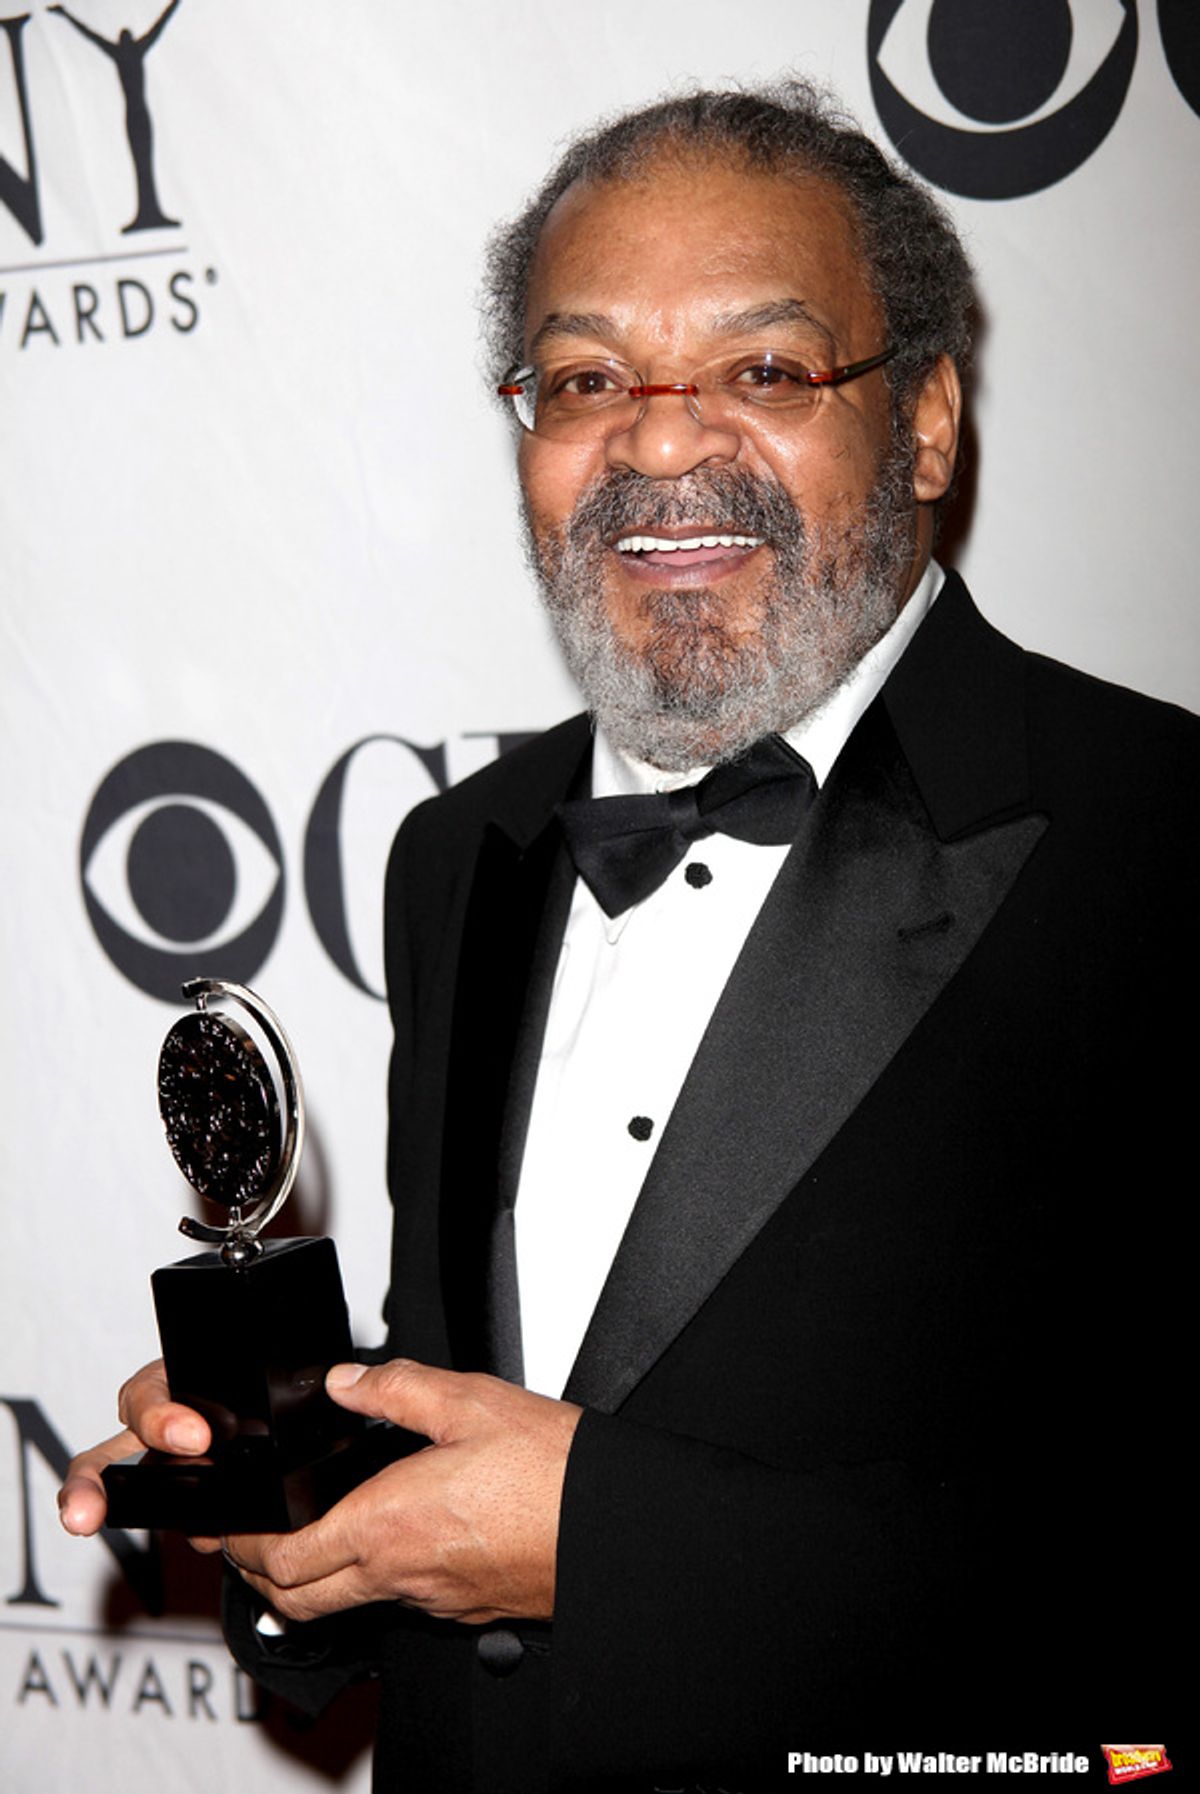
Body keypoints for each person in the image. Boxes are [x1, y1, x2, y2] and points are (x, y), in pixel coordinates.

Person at [59, 82, 1190, 1792]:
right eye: (585, 379)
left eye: (764, 369)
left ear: (929, 422)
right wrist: (296, 1509)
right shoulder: (463, 851)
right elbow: (468, 1410)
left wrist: (604, 1539)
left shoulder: (1158, 837)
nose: (658, 446)